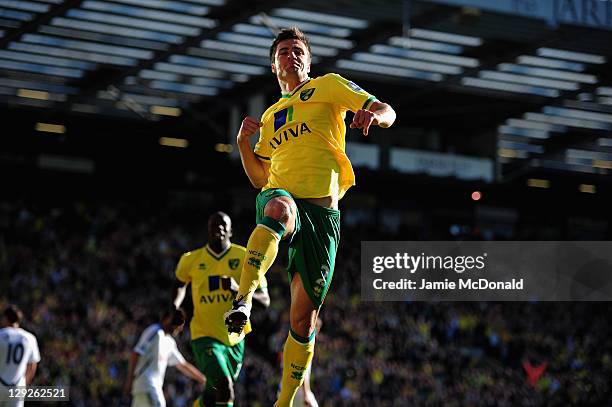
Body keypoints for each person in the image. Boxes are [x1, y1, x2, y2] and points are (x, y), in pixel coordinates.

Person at [224, 27, 396, 406]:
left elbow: (388, 110)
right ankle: (244, 299)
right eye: (283, 51)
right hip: (284, 197)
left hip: (323, 216)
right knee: (277, 208)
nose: (291, 55)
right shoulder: (270, 117)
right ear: (274, 66)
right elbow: (259, 179)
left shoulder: (329, 87)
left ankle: (284, 402)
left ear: (308, 60)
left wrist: (373, 116)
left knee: (303, 322)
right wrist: (242, 144)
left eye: (298, 50)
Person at [173, 211, 270, 407]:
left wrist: (237, 289)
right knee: (225, 387)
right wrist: (175, 305)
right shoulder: (191, 259)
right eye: (214, 225)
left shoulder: (245, 257)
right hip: (204, 336)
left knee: (213, 392)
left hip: (235, 339)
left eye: (223, 225)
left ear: (231, 231)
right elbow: (179, 284)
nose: (218, 228)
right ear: (207, 230)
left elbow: (264, 300)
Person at [123, 308, 205, 407]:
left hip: (148, 388)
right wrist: (129, 380)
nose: (180, 328)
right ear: (168, 319)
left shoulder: (169, 342)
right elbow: (136, 353)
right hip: (147, 385)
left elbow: (183, 365)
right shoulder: (154, 331)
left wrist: (203, 379)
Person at [0, 304, 40, 407]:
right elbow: (32, 365)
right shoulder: (30, 338)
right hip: (17, 385)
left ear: (5, 318)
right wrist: (24, 383)